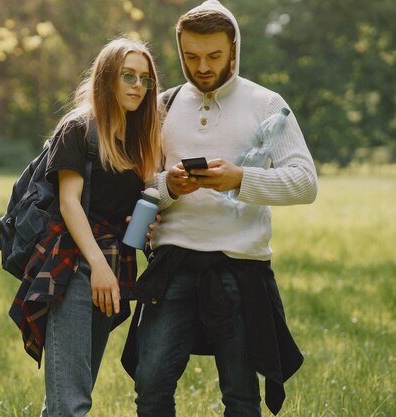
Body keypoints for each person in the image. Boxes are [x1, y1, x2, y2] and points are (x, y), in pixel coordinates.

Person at [122, 1, 318, 416]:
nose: (203, 66)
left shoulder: (267, 104)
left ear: (234, 49)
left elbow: (305, 182)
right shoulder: (166, 105)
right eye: (191, 56)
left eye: (214, 56)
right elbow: (145, 186)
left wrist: (241, 179)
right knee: (150, 384)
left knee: (241, 396)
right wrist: (169, 186)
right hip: (172, 264)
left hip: (239, 267)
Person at [9, 36, 162, 417]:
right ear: (107, 78)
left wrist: (146, 225)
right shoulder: (79, 127)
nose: (137, 87)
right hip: (74, 264)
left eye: (145, 79)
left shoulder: (138, 136)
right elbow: (69, 203)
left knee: (70, 396)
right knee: (70, 403)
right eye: (128, 76)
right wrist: (97, 267)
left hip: (114, 264)